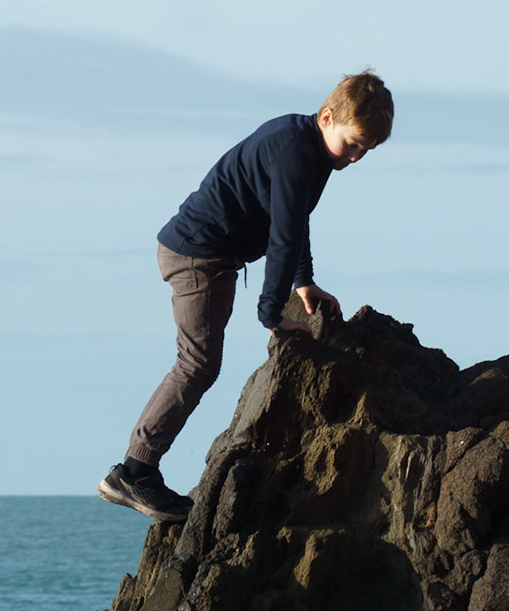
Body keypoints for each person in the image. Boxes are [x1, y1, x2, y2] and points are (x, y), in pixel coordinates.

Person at [97, 70, 394, 522]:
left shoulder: (308, 146)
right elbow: (283, 235)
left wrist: (303, 280)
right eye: (353, 144)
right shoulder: (296, 151)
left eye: (366, 151)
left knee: (198, 364)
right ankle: (133, 472)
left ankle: (138, 470)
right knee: (197, 364)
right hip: (198, 256)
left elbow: (292, 219)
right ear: (328, 117)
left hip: (207, 254)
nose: (355, 158)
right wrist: (270, 314)